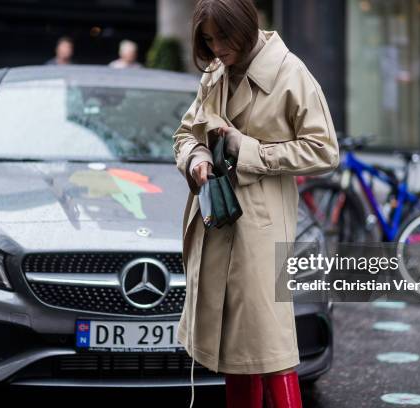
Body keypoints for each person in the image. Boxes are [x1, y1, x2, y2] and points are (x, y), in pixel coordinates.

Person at [171, 0, 340, 407]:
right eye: (208, 40)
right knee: (236, 348)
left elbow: (325, 150)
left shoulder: (290, 73)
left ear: (245, 26)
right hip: (218, 218)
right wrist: (195, 158)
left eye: (222, 38)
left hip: (261, 231)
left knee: (270, 348)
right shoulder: (215, 71)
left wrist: (250, 152)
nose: (216, 49)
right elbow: (185, 133)